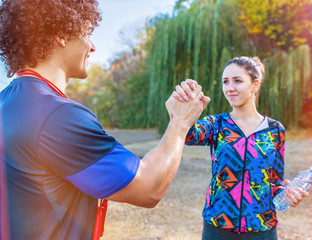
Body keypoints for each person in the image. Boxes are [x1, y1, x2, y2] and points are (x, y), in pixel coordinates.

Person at [0, 0, 211, 239]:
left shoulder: (6, 102)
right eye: (88, 33)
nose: (92, 46)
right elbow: (149, 187)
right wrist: (180, 123)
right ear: (61, 34)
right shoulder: (57, 115)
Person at [172, 56, 309, 240]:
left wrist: (288, 194)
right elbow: (187, 135)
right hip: (217, 228)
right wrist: (185, 109)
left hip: (262, 229)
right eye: (225, 81)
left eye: (238, 81)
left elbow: (275, 181)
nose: (230, 87)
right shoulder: (217, 124)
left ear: (255, 85)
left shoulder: (275, 130)